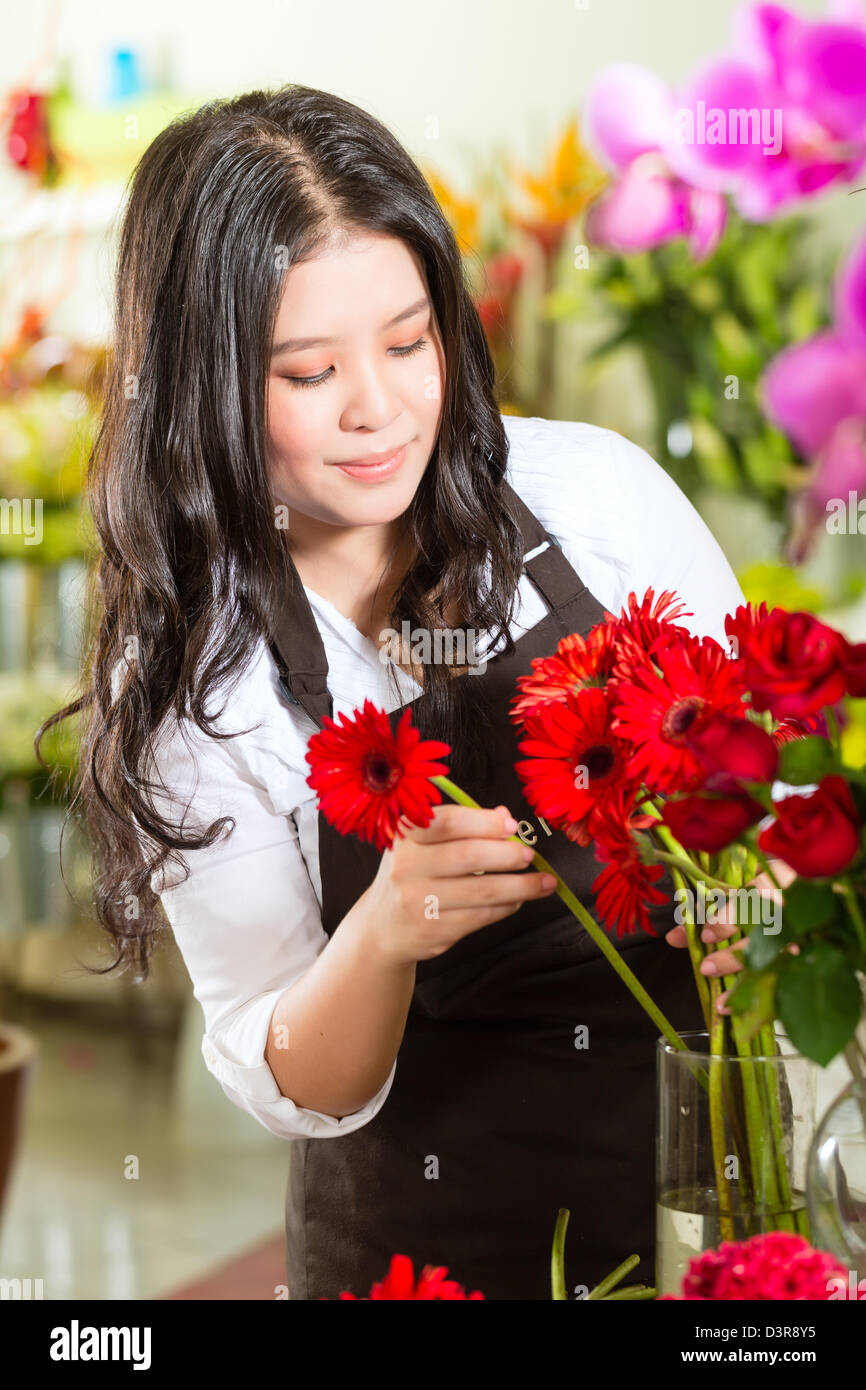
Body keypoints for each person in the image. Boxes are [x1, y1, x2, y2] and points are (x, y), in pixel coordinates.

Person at [38, 84, 755, 1301]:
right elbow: (294, 1083)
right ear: (204, 383)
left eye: (409, 343)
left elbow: (763, 779)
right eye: (309, 371)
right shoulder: (194, 682)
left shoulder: (596, 500)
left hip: (711, 1204)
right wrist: (384, 931)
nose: (378, 409)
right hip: (428, 1249)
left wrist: (752, 898)